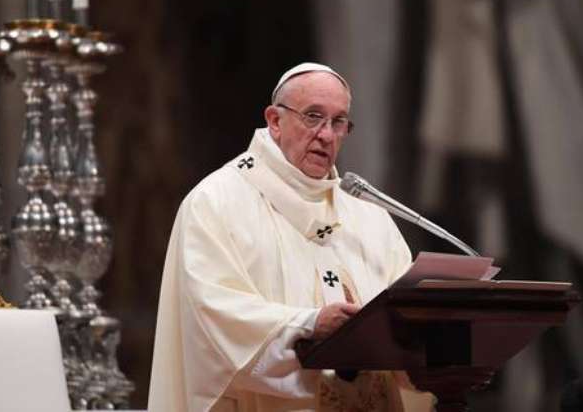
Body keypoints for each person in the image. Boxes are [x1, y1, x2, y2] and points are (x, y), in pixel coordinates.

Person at [149, 63, 434, 411]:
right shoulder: (216, 203)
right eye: (313, 117)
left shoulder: (367, 213)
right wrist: (309, 324)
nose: (327, 135)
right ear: (274, 120)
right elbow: (213, 318)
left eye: (338, 122)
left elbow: (407, 317)